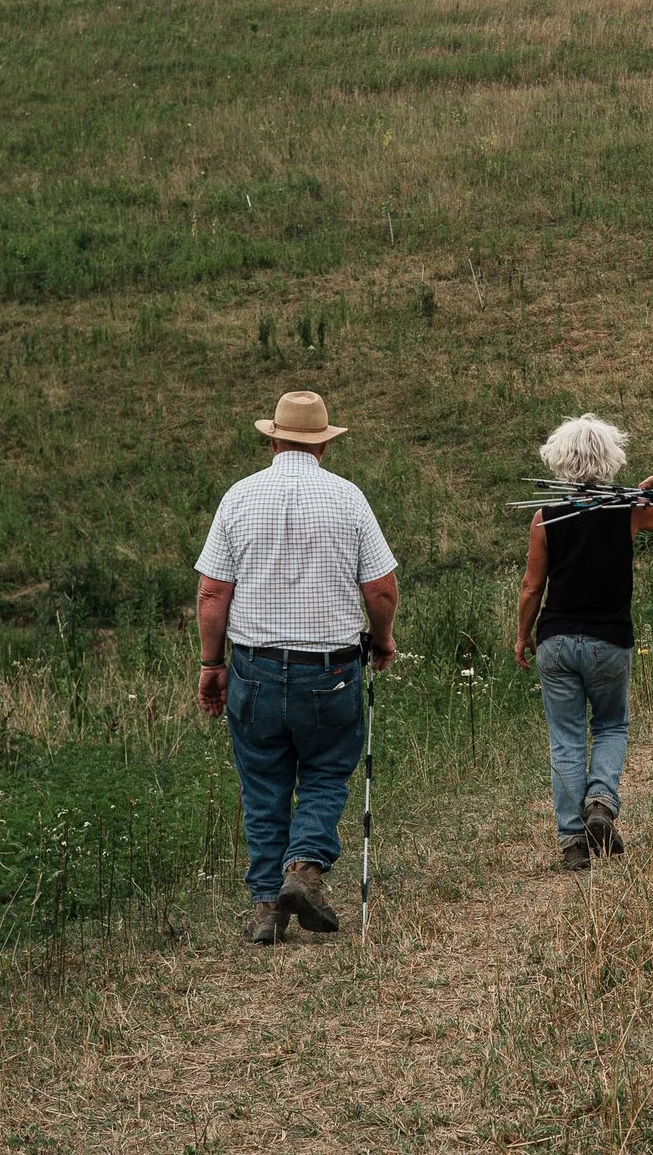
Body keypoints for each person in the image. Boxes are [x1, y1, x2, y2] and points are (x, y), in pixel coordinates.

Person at [195, 390, 398, 944]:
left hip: (254, 669)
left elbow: (212, 593)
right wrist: (381, 640)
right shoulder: (348, 498)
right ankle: (303, 867)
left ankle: (266, 909)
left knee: (262, 781)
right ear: (323, 446)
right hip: (329, 671)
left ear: (272, 438)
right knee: (328, 769)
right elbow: (380, 587)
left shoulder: (238, 498)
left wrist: (212, 664)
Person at [513, 414, 653, 871]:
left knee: (566, 739)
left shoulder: (544, 517)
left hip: (556, 641)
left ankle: (573, 843)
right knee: (611, 726)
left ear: (560, 460)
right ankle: (600, 803)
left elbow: (531, 588)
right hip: (609, 640)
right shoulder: (629, 510)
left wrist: (522, 635)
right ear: (609, 459)